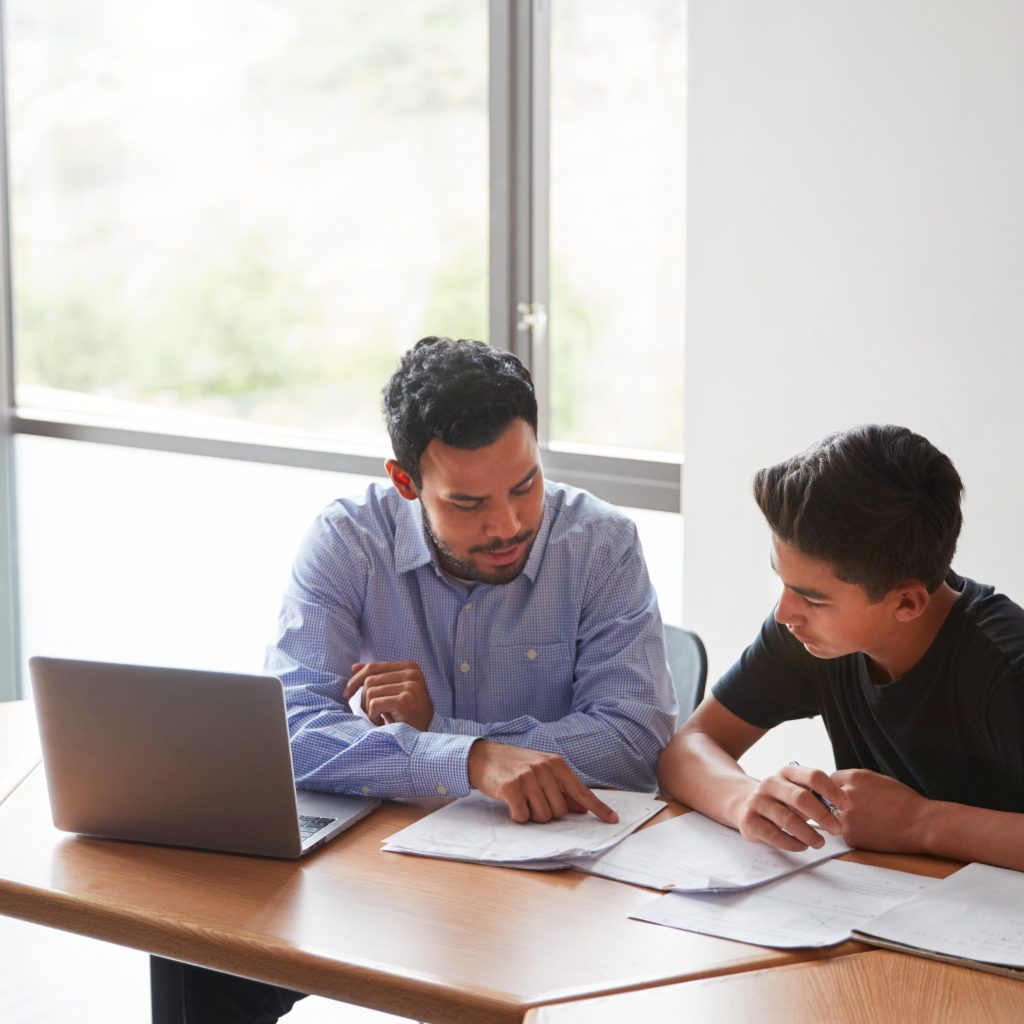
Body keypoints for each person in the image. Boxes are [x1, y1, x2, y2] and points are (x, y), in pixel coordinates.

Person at [185, 336, 677, 1022]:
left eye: (525, 485)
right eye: (468, 504)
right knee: (203, 953)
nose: (507, 525)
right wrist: (472, 761)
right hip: (384, 872)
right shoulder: (347, 540)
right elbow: (287, 728)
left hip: (557, 888)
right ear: (406, 482)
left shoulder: (601, 544)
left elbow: (632, 741)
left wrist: (445, 738)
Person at [659, 423, 1024, 873]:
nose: (784, 614)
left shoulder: (1007, 666)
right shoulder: (808, 637)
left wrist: (921, 823)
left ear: (906, 602)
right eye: (783, 583)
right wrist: (746, 801)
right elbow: (689, 745)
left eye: (812, 598)